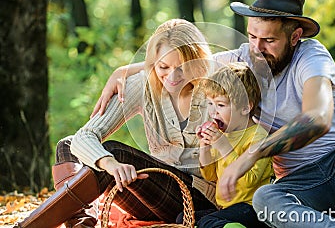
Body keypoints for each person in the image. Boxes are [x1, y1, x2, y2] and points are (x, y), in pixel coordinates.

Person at [92, 0, 335, 227]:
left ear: (294, 37)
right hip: (303, 191)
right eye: (252, 36)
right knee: (266, 198)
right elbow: (183, 63)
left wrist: (250, 155)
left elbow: (317, 117)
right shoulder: (242, 59)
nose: (257, 47)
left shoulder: (312, 57)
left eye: (268, 40)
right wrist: (126, 71)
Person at [15, 19, 218, 228]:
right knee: (69, 146)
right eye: (164, 66)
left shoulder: (215, 90)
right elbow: (84, 136)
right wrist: (109, 163)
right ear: (153, 64)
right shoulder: (143, 83)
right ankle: (81, 224)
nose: (172, 77)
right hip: (150, 194)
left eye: (182, 68)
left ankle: (28, 227)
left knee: (114, 152)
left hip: (196, 198)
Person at [195, 62, 274, 228]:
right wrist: (204, 147)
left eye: (221, 105)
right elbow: (210, 176)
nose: (213, 112)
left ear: (245, 107)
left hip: (253, 209)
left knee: (208, 222)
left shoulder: (258, 137)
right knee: (186, 218)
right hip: (228, 208)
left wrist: (224, 148)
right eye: (210, 103)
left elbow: (249, 181)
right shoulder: (223, 135)